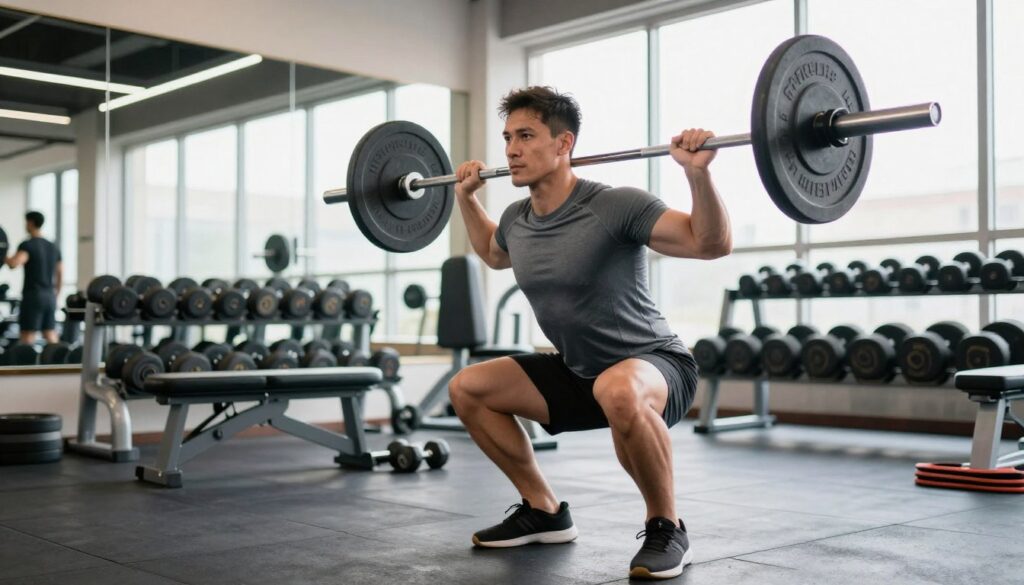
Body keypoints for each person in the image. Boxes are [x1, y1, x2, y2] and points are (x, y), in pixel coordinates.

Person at [448, 86, 731, 580]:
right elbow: (494, 253)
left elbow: (710, 243)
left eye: (526, 136)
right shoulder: (516, 218)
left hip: (655, 365)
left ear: (564, 144)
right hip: (580, 372)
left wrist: (697, 173)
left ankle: (667, 527)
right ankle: (544, 510)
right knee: (468, 388)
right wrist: (465, 198)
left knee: (617, 388)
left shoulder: (615, 205)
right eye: (508, 138)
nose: (511, 150)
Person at [3, 211, 62, 344]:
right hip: (50, 296)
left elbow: (14, 263)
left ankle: (26, 358)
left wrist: (3, 255)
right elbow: (60, 273)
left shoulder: (28, 245)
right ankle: (60, 356)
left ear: (30, 223)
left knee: (28, 335)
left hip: (33, 296)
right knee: (50, 333)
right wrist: (56, 295)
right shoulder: (53, 246)